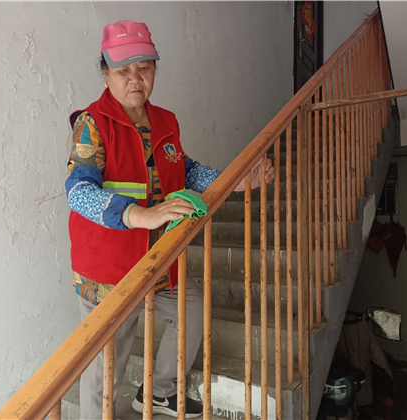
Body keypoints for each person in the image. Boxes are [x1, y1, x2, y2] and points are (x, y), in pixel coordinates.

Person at [65, 20, 275, 419]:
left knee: (192, 311)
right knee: (106, 369)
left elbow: (186, 170)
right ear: (106, 73)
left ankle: (159, 391)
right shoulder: (92, 123)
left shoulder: (165, 121)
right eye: (123, 70)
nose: (135, 78)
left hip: (160, 260)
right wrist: (139, 214)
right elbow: (78, 191)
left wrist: (236, 180)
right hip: (109, 271)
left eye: (144, 67)